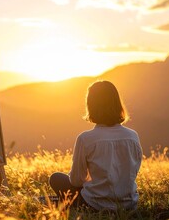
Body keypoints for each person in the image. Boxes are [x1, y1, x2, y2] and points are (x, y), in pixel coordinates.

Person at [49, 80, 142, 211]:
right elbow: (132, 171)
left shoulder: (85, 139)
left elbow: (76, 181)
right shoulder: (133, 136)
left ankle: (65, 203)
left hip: (95, 204)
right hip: (128, 204)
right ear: (117, 104)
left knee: (56, 178)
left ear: (91, 106)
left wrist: (92, 181)